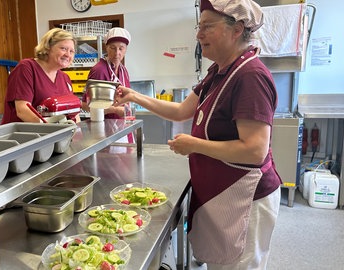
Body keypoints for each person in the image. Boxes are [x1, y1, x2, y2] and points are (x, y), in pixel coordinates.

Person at [114, 0, 281, 269]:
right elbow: (181, 111)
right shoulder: (218, 71)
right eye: (198, 26)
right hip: (223, 192)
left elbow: (254, 150)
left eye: (208, 27)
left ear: (237, 29)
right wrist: (135, 96)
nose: (199, 34)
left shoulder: (250, 76)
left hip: (245, 198)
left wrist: (195, 145)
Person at [1, 28, 80, 124]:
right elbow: (22, 110)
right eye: (63, 48)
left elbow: (74, 114)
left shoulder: (65, 78)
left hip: (55, 135)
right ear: (48, 48)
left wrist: (76, 131)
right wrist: (51, 130)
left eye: (72, 51)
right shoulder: (26, 68)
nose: (68, 54)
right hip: (25, 135)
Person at [81, 27, 132, 119]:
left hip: (123, 125)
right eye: (112, 48)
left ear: (126, 49)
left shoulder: (124, 70)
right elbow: (85, 105)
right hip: (106, 127)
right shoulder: (99, 70)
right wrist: (114, 110)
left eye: (121, 48)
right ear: (106, 48)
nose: (117, 53)